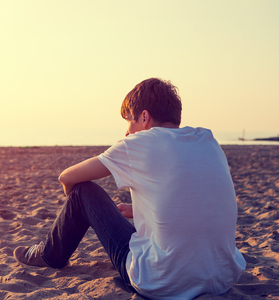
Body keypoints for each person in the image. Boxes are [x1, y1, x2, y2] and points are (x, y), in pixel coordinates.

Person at [14, 78, 246, 299]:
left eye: (129, 121)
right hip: (223, 278)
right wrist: (140, 210)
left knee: (83, 191)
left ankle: (49, 255)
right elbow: (197, 195)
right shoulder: (207, 139)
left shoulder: (140, 142)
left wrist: (71, 194)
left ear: (144, 117)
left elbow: (68, 176)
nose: (127, 131)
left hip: (161, 281)